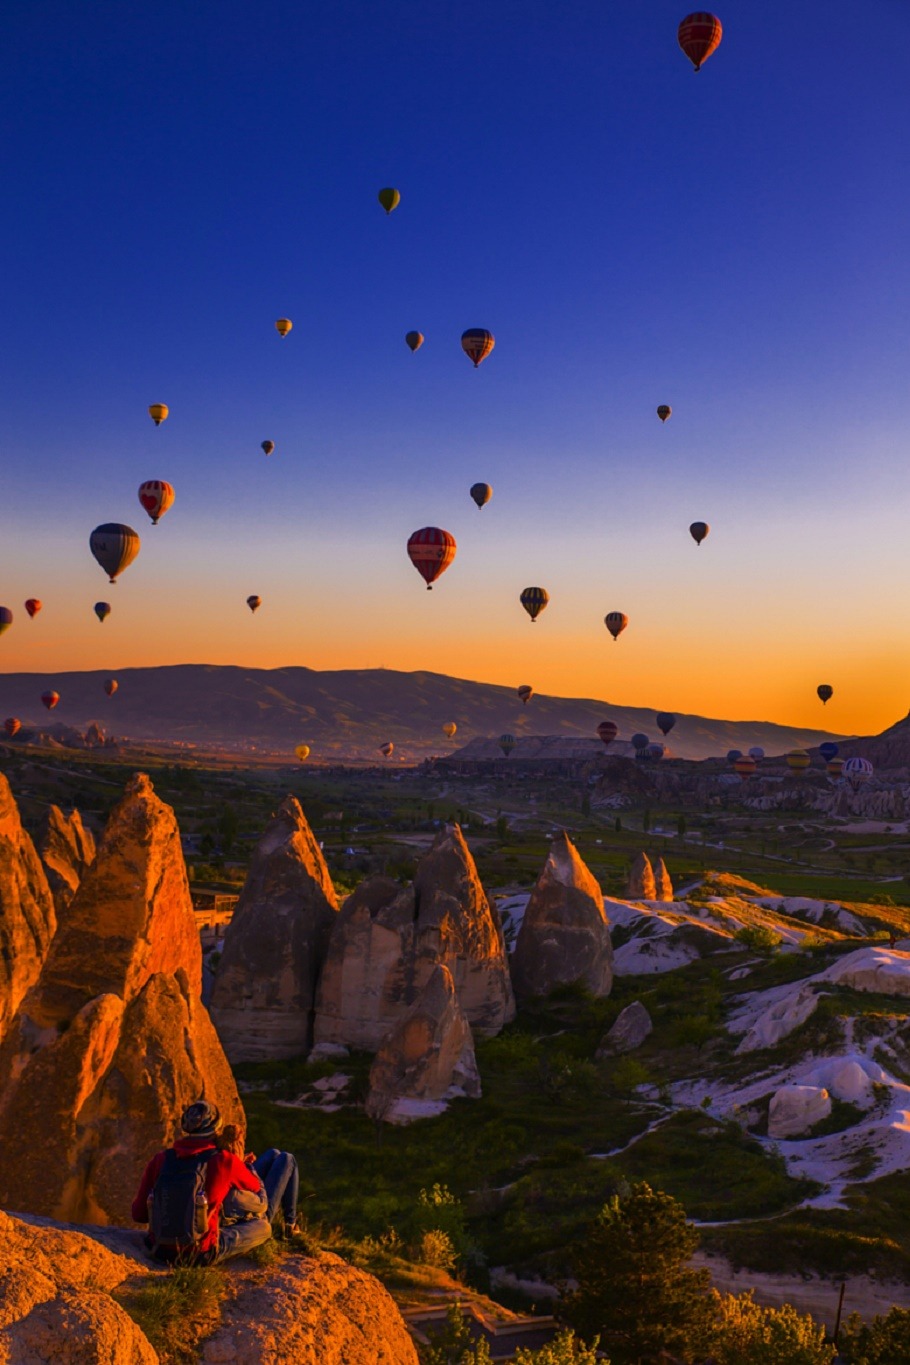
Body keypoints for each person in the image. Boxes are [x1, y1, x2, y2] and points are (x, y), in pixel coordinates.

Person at [132, 1099, 272, 1264]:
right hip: (200, 1253)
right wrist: (244, 1164)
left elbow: (139, 1214)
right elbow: (255, 1186)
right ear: (217, 1128)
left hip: (160, 1250)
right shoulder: (224, 1160)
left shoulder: (161, 1159)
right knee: (264, 1227)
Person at [217, 1124, 300, 1237]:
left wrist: (241, 1162)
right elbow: (257, 1187)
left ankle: (291, 1223)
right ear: (239, 1146)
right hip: (256, 1215)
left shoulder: (220, 1158)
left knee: (273, 1153)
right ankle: (290, 1224)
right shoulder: (233, 1167)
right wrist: (249, 1168)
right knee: (288, 1159)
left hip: (244, 1200)